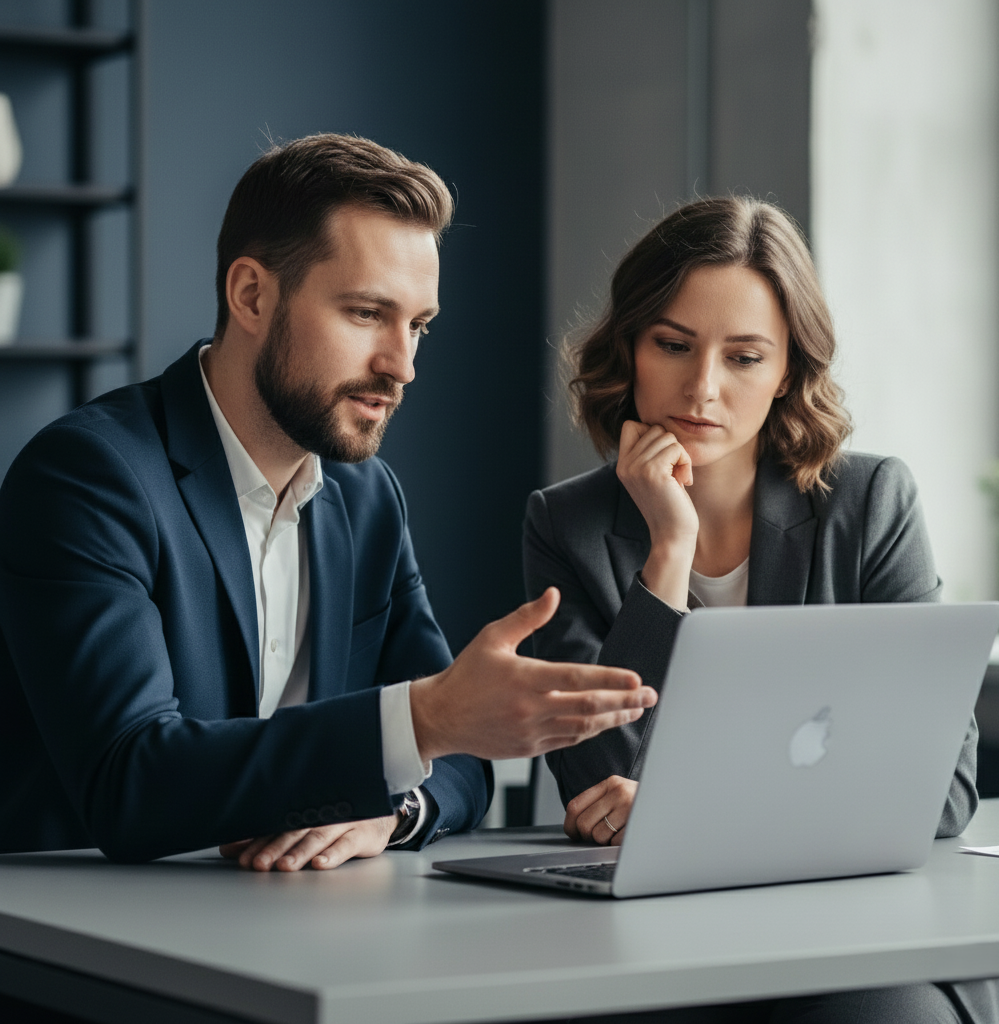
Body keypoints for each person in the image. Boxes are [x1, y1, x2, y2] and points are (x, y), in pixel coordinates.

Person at [0, 133, 657, 870]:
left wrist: (393, 812)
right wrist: (420, 722)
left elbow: (462, 759)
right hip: (75, 941)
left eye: (418, 326)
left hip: (290, 926)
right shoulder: (89, 476)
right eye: (366, 313)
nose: (402, 364)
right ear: (251, 295)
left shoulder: (366, 496)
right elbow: (128, 780)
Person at [523, 197, 999, 1024]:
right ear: (632, 349)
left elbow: (944, 789)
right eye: (673, 345)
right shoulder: (564, 525)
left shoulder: (869, 503)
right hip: (655, 942)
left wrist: (694, 820)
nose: (703, 388)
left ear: (787, 370)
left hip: (850, 932)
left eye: (745, 357)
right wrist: (668, 554)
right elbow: (600, 785)